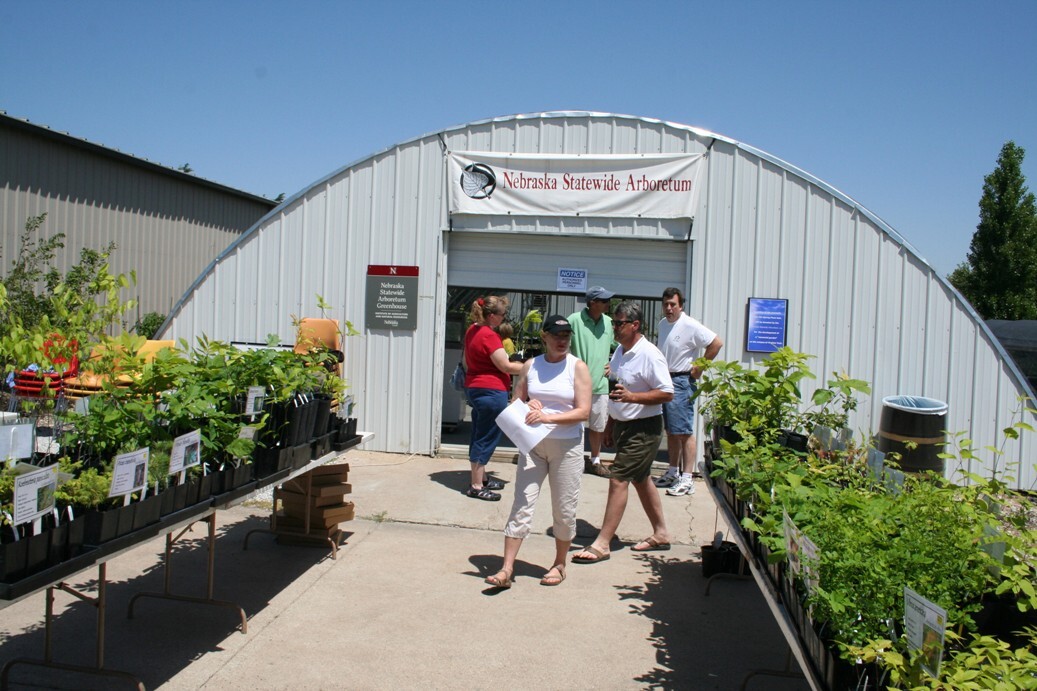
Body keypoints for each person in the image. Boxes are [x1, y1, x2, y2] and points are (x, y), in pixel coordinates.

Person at [485, 315, 591, 589]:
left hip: (566, 447)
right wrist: (529, 407)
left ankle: (559, 563)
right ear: (544, 337)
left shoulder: (577, 367)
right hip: (534, 446)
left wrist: (548, 418)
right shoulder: (531, 366)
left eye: (566, 335)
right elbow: (515, 401)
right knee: (522, 503)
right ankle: (507, 568)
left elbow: (584, 411)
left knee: (564, 509)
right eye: (556, 335)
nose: (562, 340)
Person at [572, 301, 674, 564]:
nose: (614, 327)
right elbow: (616, 389)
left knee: (618, 479)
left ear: (635, 325)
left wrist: (634, 397)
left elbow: (667, 392)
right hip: (624, 427)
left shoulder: (650, 354)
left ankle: (603, 543)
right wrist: (609, 424)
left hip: (644, 429)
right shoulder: (620, 350)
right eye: (614, 322)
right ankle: (661, 533)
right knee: (641, 479)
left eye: (619, 323)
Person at [653, 287, 723, 496]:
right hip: (666, 380)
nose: (668, 308)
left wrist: (700, 367)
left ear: (681, 305)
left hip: (682, 381)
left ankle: (687, 478)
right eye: (666, 304)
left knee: (684, 431)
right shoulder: (663, 324)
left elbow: (716, 343)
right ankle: (673, 472)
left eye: (673, 304)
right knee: (672, 431)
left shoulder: (690, 325)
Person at [464, 295, 524, 501]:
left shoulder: (472, 330)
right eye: (502, 314)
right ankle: (476, 485)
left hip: (475, 388)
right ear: (491, 316)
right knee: (486, 437)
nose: (504, 318)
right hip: (490, 391)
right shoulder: (489, 336)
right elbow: (506, 366)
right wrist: (531, 366)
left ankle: (482, 478)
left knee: (478, 434)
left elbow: (468, 360)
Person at [567, 286, 615, 478]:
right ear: (592, 302)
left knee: (598, 426)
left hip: (601, 385)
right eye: (604, 301)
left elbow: (621, 346)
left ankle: (595, 460)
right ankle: (574, 459)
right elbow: (558, 343)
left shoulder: (610, 323)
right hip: (576, 384)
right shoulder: (573, 320)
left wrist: (615, 365)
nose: (608, 304)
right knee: (574, 424)